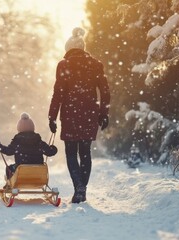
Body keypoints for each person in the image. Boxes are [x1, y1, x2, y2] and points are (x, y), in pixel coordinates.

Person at [48, 27, 111, 203]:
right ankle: (82, 189)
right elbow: (105, 91)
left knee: (70, 153)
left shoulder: (64, 65)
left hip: (70, 114)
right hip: (90, 113)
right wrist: (104, 114)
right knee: (85, 152)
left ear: (68, 49)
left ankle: (79, 187)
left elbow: (58, 93)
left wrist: (52, 117)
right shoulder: (95, 64)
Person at [0, 112, 57, 179]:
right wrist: (53, 148)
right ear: (33, 128)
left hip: (22, 172)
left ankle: (10, 185)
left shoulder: (17, 142)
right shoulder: (39, 141)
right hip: (38, 172)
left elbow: (8, 151)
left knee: (9, 168)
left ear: (19, 128)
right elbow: (50, 152)